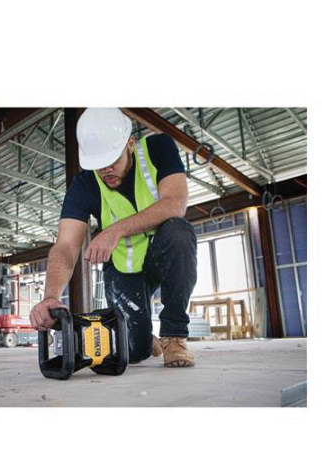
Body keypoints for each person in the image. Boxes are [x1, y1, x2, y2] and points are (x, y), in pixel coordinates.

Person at [29, 108, 197, 367]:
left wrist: (115, 230)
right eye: (98, 164)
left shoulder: (158, 148)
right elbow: (66, 246)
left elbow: (175, 204)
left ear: (130, 144)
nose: (106, 170)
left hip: (162, 255)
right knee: (134, 353)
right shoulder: (84, 185)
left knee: (178, 231)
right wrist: (51, 295)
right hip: (124, 267)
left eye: (112, 160)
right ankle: (143, 338)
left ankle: (174, 336)